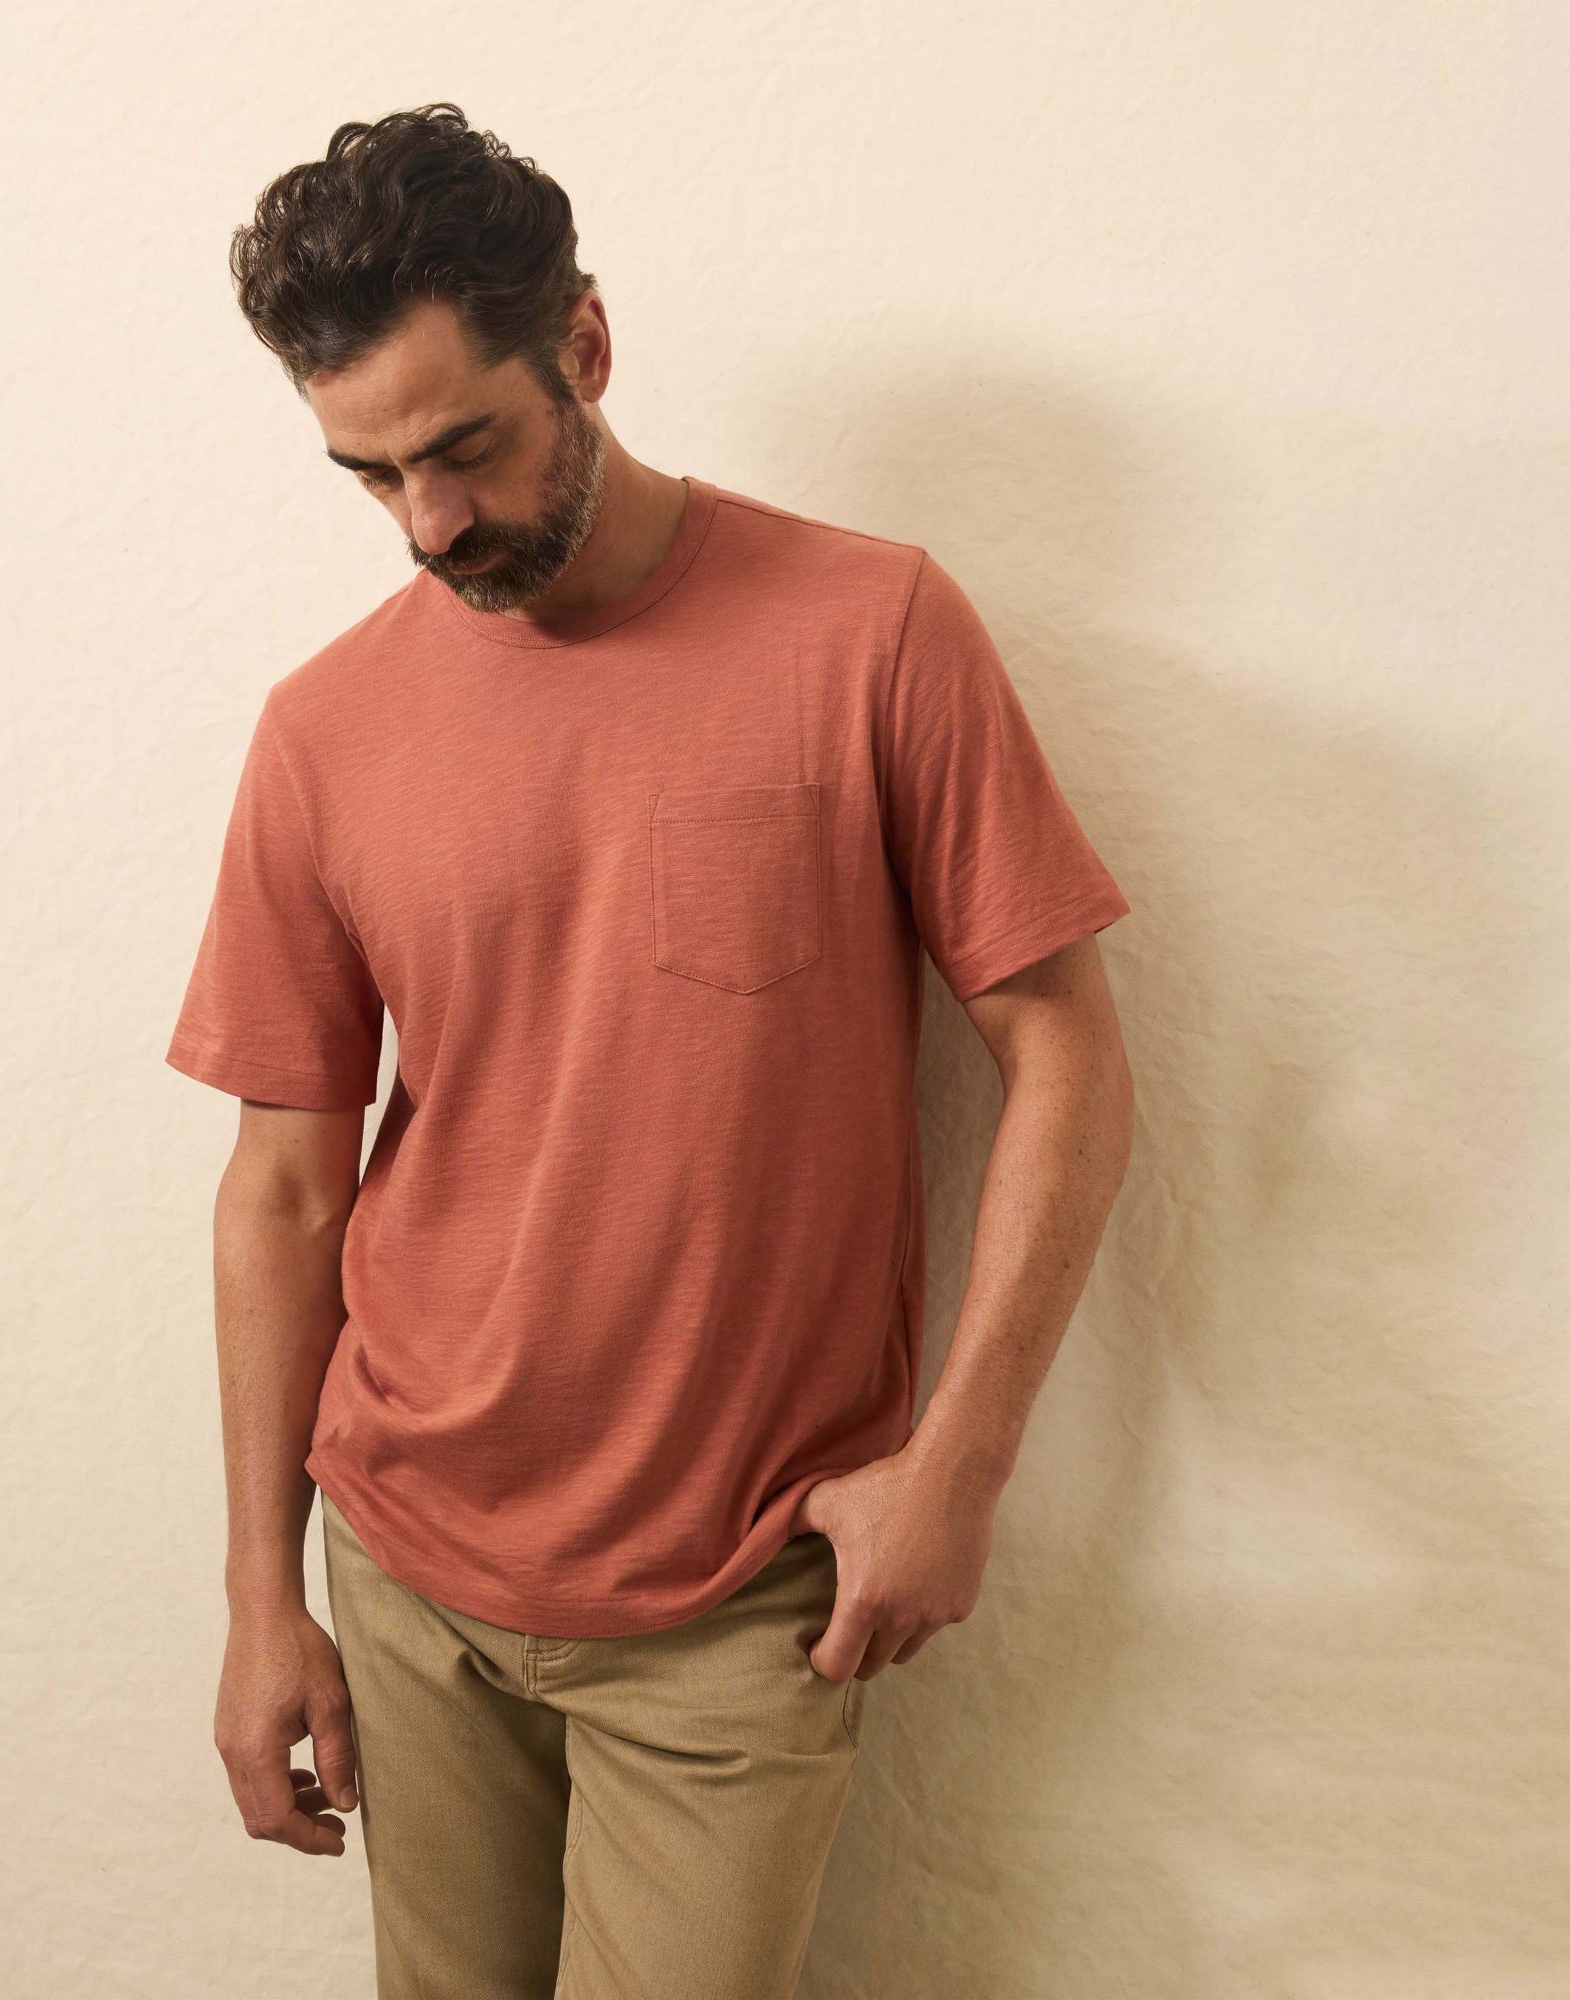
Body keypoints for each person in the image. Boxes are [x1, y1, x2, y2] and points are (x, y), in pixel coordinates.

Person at [166, 102, 1136, 2000]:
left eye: (467, 447)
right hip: (409, 1562)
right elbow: (282, 1186)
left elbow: (1069, 1057)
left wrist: (962, 1464)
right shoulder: (323, 732)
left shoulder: (873, 631)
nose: (430, 525)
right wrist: (258, 1594)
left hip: (737, 1593)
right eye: (372, 476)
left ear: (587, 348)